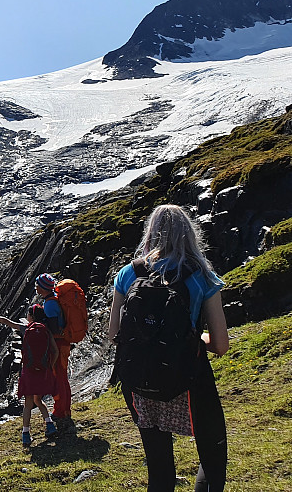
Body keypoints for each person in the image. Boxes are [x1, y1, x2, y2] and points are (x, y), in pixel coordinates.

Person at [109, 204, 229, 491]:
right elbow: (221, 345)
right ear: (189, 234)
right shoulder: (201, 275)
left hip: (140, 381)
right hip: (189, 379)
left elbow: (114, 333)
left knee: (160, 466)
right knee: (213, 456)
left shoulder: (130, 273)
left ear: (149, 233)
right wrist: (192, 338)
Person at [0, 304, 59, 446]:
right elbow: (55, 350)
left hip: (28, 372)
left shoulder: (26, 329)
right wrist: (50, 366)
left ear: (31, 316)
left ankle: (26, 434)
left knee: (28, 405)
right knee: (39, 400)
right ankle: (50, 425)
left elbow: (6, 321)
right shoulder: (46, 330)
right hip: (42, 371)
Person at [35, 272, 73, 426]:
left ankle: (60, 411)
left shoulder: (50, 304)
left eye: (37, 284)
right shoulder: (54, 300)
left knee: (58, 379)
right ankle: (65, 409)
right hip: (64, 343)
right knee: (63, 378)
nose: (36, 287)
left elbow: (54, 328)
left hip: (57, 345)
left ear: (42, 288)